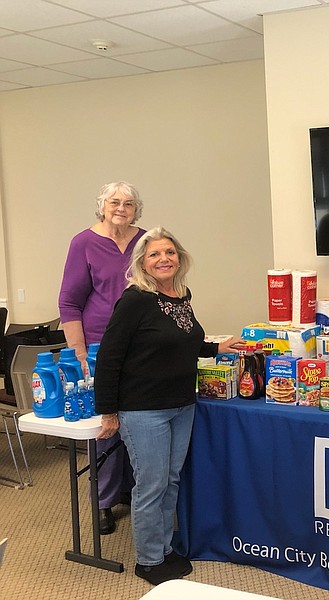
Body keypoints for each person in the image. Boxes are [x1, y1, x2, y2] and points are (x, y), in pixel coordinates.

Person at [93, 226, 243, 586]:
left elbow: (184, 340)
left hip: (181, 404)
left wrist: (216, 349)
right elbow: (109, 358)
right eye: (155, 254)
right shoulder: (135, 300)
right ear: (143, 262)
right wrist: (109, 411)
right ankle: (148, 560)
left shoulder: (179, 294)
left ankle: (163, 549)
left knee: (170, 481)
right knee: (151, 485)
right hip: (143, 410)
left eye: (170, 253)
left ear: (180, 258)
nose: (164, 259)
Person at [58, 181, 146, 535]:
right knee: (107, 427)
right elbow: (69, 302)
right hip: (98, 347)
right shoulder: (83, 242)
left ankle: (129, 490)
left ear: (136, 210)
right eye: (114, 202)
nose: (121, 208)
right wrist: (79, 353)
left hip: (142, 346)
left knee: (139, 420)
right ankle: (104, 502)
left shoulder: (145, 240)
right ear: (102, 206)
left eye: (128, 203)